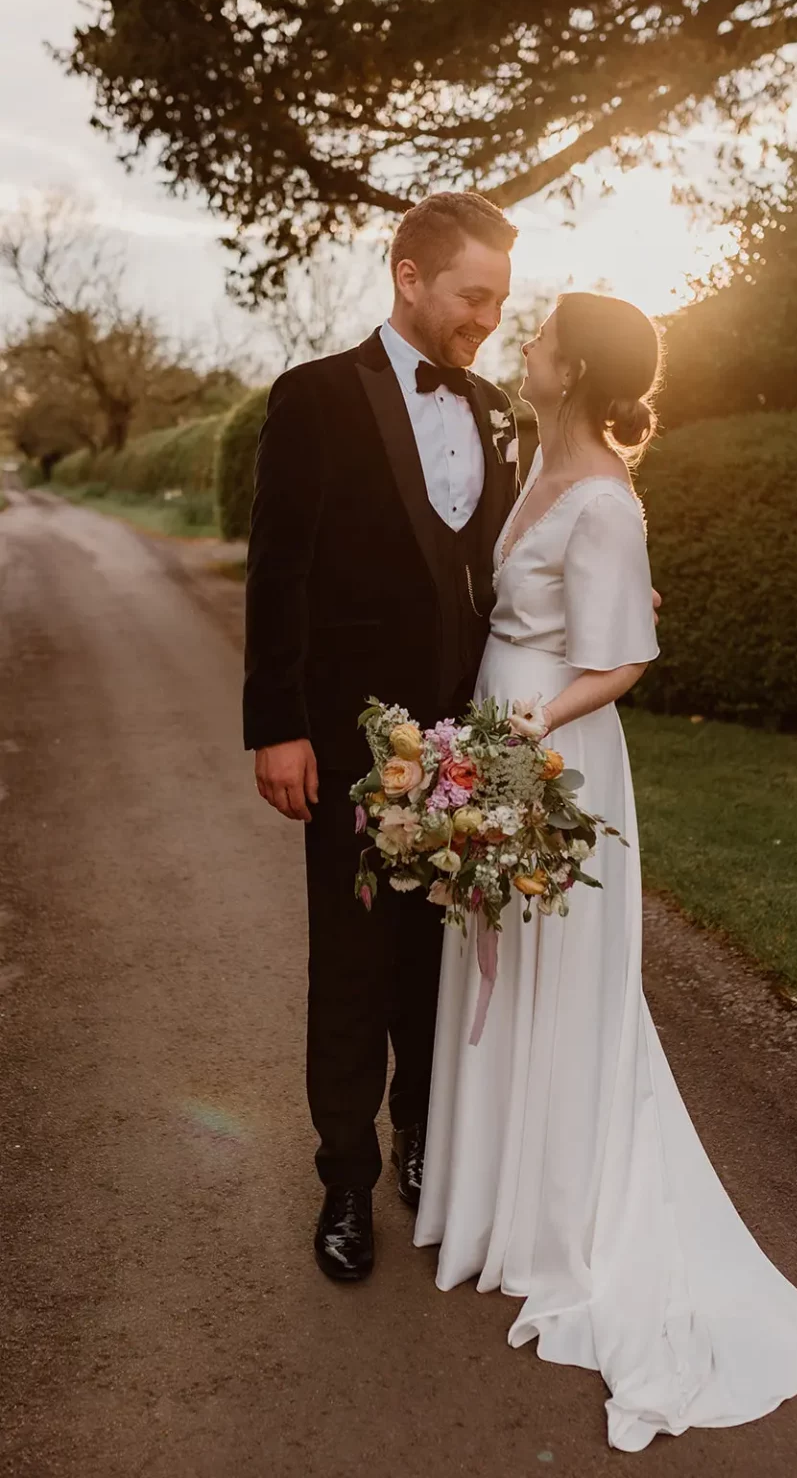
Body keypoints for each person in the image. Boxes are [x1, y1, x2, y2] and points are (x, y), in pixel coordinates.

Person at [414, 292, 797, 1451]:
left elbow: (620, 663)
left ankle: (554, 1216)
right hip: (497, 732)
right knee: (492, 961)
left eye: (543, 339)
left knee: (554, 973)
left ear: (574, 368)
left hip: (552, 753)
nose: (527, 348)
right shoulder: (532, 458)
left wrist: (519, 737)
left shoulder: (603, 497)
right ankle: (490, 1203)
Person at [243, 192, 521, 1281]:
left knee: (435, 966)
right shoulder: (313, 398)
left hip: (467, 747)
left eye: (499, 299)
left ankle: (422, 1147)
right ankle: (346, 1183)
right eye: (472, 296)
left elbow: (496, 572)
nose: (487, 319)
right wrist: (278, 727)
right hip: (350, 746)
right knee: (353, 966)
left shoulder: (501, 409)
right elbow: (281, 573)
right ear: (410, 278)